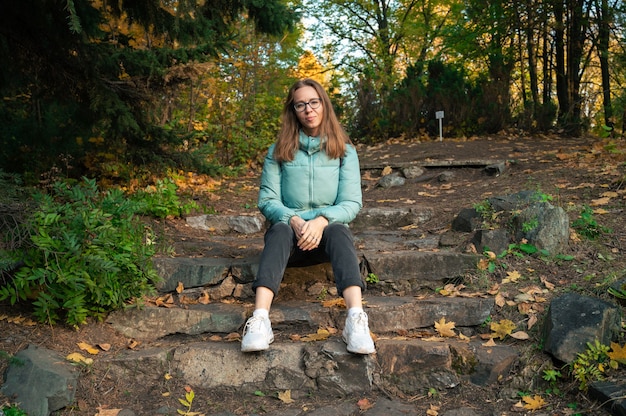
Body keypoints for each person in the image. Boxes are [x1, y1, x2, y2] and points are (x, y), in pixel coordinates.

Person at [240, 78, 375, 355]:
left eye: (314, 102)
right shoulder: (278, 151)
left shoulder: (344, 151)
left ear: (323, 105)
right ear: (293, 111)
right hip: (289, 240)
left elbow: (351, 202)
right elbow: (267, 200)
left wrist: (321, 220)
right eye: (300, 104)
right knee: (278, 230)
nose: (308, 110)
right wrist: (294, 220)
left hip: (327, 241)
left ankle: (356, 321)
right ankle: (260, 320)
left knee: (339, 230)